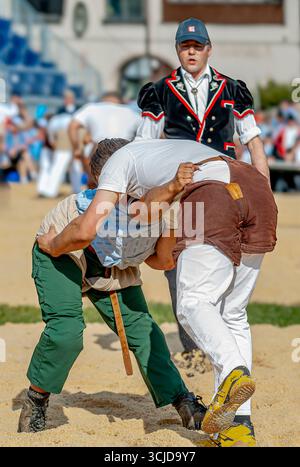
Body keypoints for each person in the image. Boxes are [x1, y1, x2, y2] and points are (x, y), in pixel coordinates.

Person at [36, 139, 278, 446]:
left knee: (192, 303)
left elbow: (90, 231)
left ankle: (232, 372)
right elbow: (157, 250)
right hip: (257, 191)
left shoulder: (120, 165)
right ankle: (239, 426)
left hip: (213, 195)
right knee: (232, 314)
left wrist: (53, 243)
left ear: (99, 175)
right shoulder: (159, 159)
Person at [18, 139, 207, 434]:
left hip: (114, 267)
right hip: (64, 252)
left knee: (145, 331)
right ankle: (36, 399)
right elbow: (77, 237)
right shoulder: (97, 204)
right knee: (66, 331)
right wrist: (53, 246)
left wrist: (165, 239)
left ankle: (183, 400)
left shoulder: (169, 208)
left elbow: (161, 261)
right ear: (101, 179)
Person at [136, 17, 270, 370]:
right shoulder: (160, 91)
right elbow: (143, 145)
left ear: (209, 49)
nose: (191, 51)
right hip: (185, 188)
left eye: (197, 46)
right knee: (181, 261)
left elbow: (253, 143)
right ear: (177, 50)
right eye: (185, 46)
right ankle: (196, 348)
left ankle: (218, 341)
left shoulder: (233, 89)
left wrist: (264, 190)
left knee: (228, 261)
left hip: (228, 185)